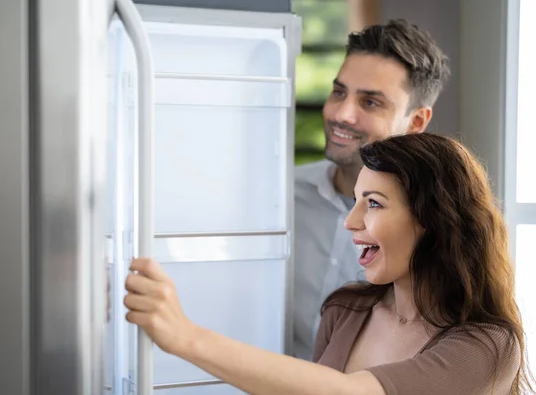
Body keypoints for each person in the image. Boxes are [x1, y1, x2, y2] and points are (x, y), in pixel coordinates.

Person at [124, 132, 533, 395]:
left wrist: (186, 337)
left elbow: (348, 393)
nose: (351, 221)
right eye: (355, 201)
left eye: (373, 204)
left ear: (433, 220)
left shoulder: (486, 347)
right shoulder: (346, 308)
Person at [293, 18, 451, 361]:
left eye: (370, 102)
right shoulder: (281, 198)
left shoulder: (439, 231)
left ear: (416, 122)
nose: (341, 115)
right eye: (339, 92)